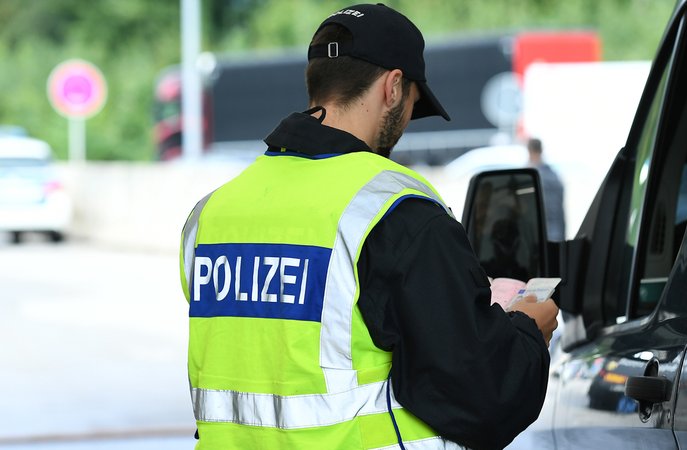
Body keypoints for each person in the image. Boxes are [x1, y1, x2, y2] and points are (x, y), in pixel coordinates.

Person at [179, 4, 559, 449]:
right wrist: (527, 329)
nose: (406, 123)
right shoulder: (394, 208)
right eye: (413, 103)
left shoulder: (211, 213)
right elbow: (480, 394)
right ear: (393, 88)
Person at [527, 138, 566, 241]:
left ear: (530, 152)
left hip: (540, 235)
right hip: (557, 232)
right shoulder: (554, 175)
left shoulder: (531, 178)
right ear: (541, 150)